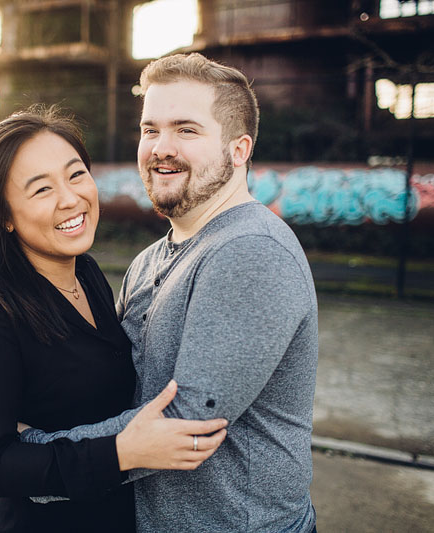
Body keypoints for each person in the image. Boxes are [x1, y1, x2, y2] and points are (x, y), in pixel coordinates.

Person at [21, 54, 319, 532]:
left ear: (239, 150)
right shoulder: (148, 260)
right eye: (150, 129)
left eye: (186, 130)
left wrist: (35, 458)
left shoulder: (250, 252)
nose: (161, 147)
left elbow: (182, 428)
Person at [0, 106, 228, 533]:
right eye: (41, 190)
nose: (71, 198)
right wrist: (123, 452)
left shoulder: (87, 272)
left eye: (76, 175)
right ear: (3, 215)